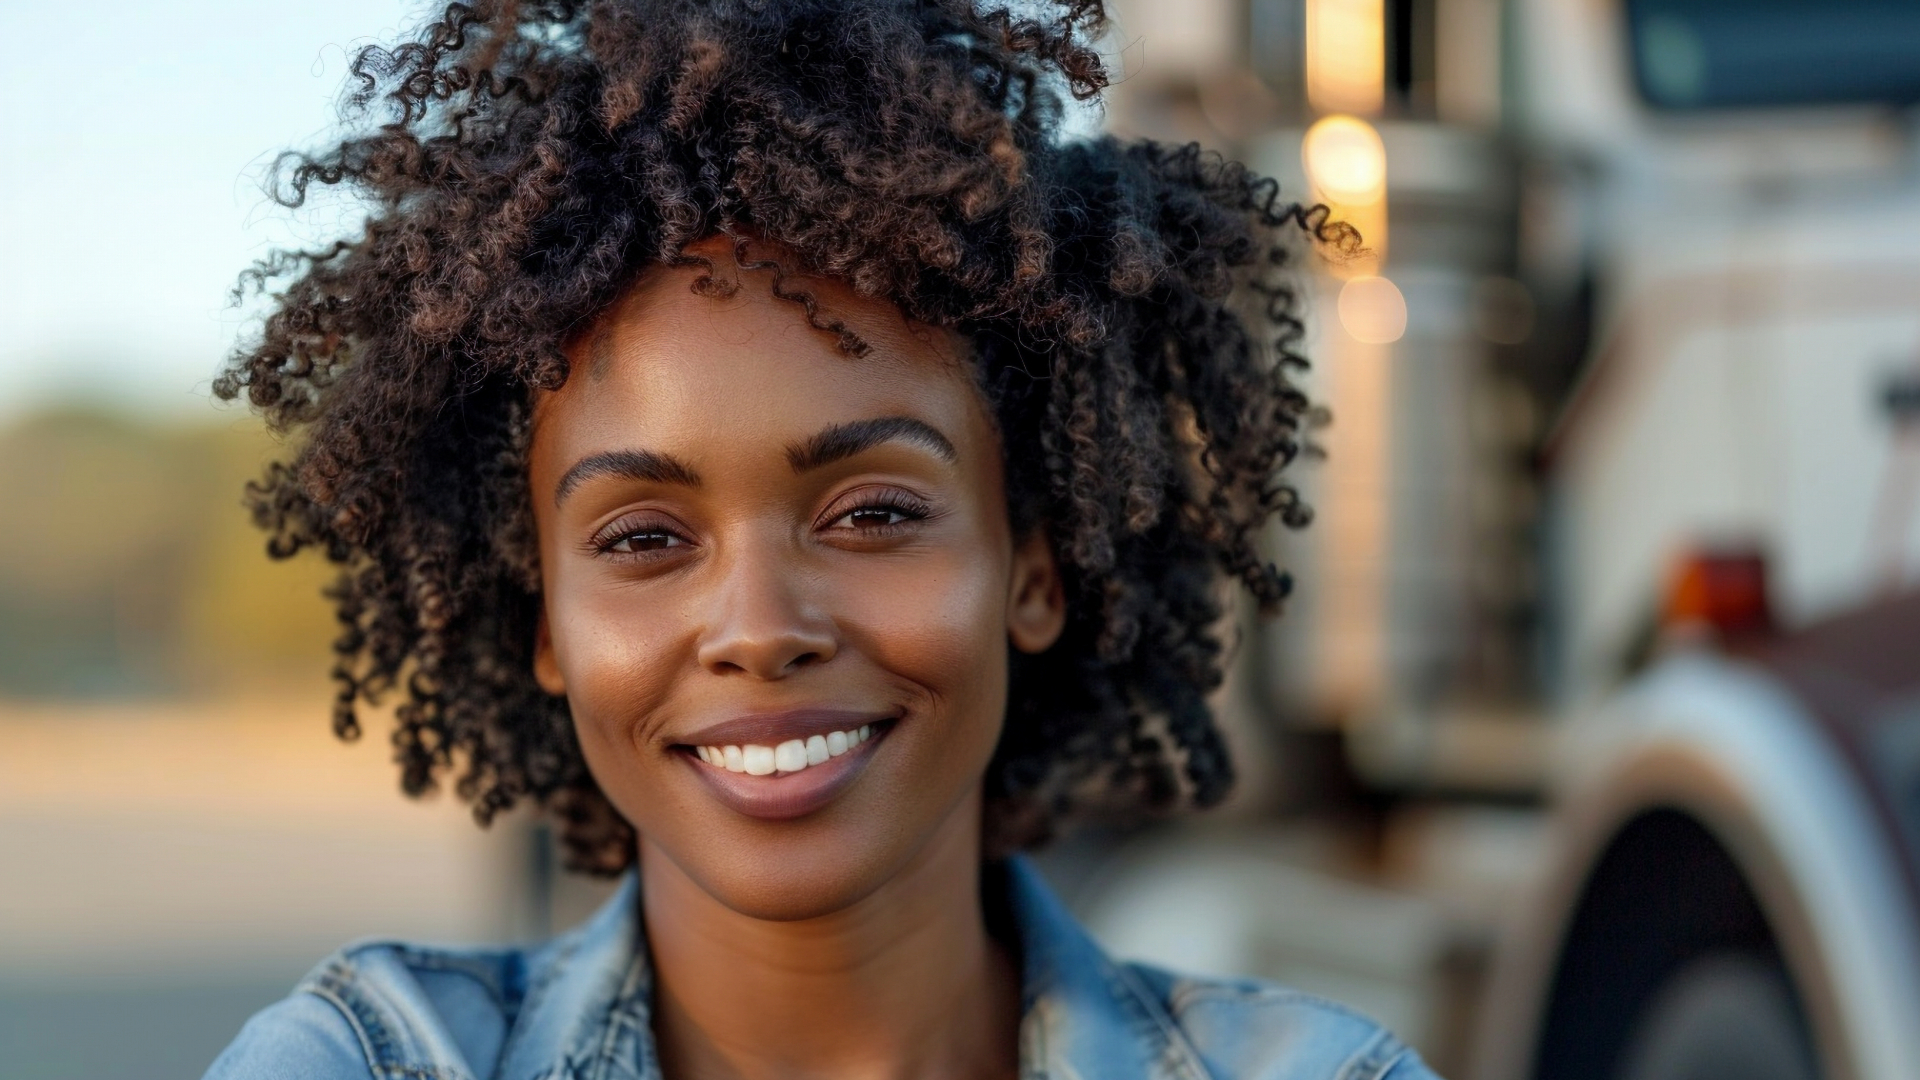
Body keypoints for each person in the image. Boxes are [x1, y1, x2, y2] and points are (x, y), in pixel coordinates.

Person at [204, 1, 1433, 1077]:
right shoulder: (368, 1064)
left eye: (874, 515)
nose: (758, 629)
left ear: (1035, 570)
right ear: (546, 625)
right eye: (641, 538)